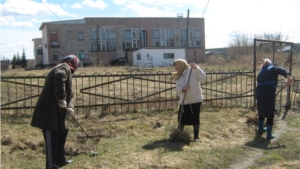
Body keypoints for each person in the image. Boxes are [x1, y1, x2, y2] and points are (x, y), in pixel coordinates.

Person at [31, 55, 80, 169]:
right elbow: (59, 77)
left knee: (63, 131)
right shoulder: (63, 67)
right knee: (52, 136)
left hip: (58, 112)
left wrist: (70, 107)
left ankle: (60, 159)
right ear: (73, 63)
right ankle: (51, 165)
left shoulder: (66, 70)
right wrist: (61, 98)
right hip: (49, 112)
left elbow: (70, 96)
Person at [255, 58, 293, 139]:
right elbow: (281, 70)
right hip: (268, 93)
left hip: (259, 93)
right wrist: (289, 78)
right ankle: (269, 134)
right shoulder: (272, 68)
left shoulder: (260, 72)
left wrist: (272, 92)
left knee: (261, 110)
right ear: (270, 63)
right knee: (269, 112)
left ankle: (260, 129)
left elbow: (261, 83)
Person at [172, 59, 206, 141]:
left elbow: (203, 78)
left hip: (195, 99)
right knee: (181, 118)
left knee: (195, 118)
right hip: (184, 101)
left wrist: (196, 68)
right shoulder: (179, 75)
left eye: (176, 67)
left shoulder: (193, 71)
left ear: (180, 66)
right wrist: (183, 89)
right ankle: (179, 134)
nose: (175, 69)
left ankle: (196, 137)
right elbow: (177, 88)